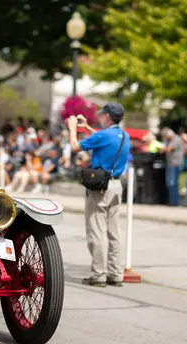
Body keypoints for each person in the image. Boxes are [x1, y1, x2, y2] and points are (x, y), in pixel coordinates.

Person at [67, 102, 131, 287]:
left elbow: (74, 147)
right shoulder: (123, 136)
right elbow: (103, 139)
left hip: (101, 187)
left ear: (108, 117)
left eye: (102, 115)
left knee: (97, 231)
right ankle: (115, 273)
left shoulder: (104, 135)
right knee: (114, 232)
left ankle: (98, 274)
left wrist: (72, 129)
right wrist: (87, 127)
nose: (100, 117)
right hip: (117, 185)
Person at [159, 127, 184, 206]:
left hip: (175, 164)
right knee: (169, 183)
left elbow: (168, 149)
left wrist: (163, 149)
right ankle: (172, 201)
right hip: (170, 164)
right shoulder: (168, 140)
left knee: (172, 183)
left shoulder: (176, 139)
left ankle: (174, 202)